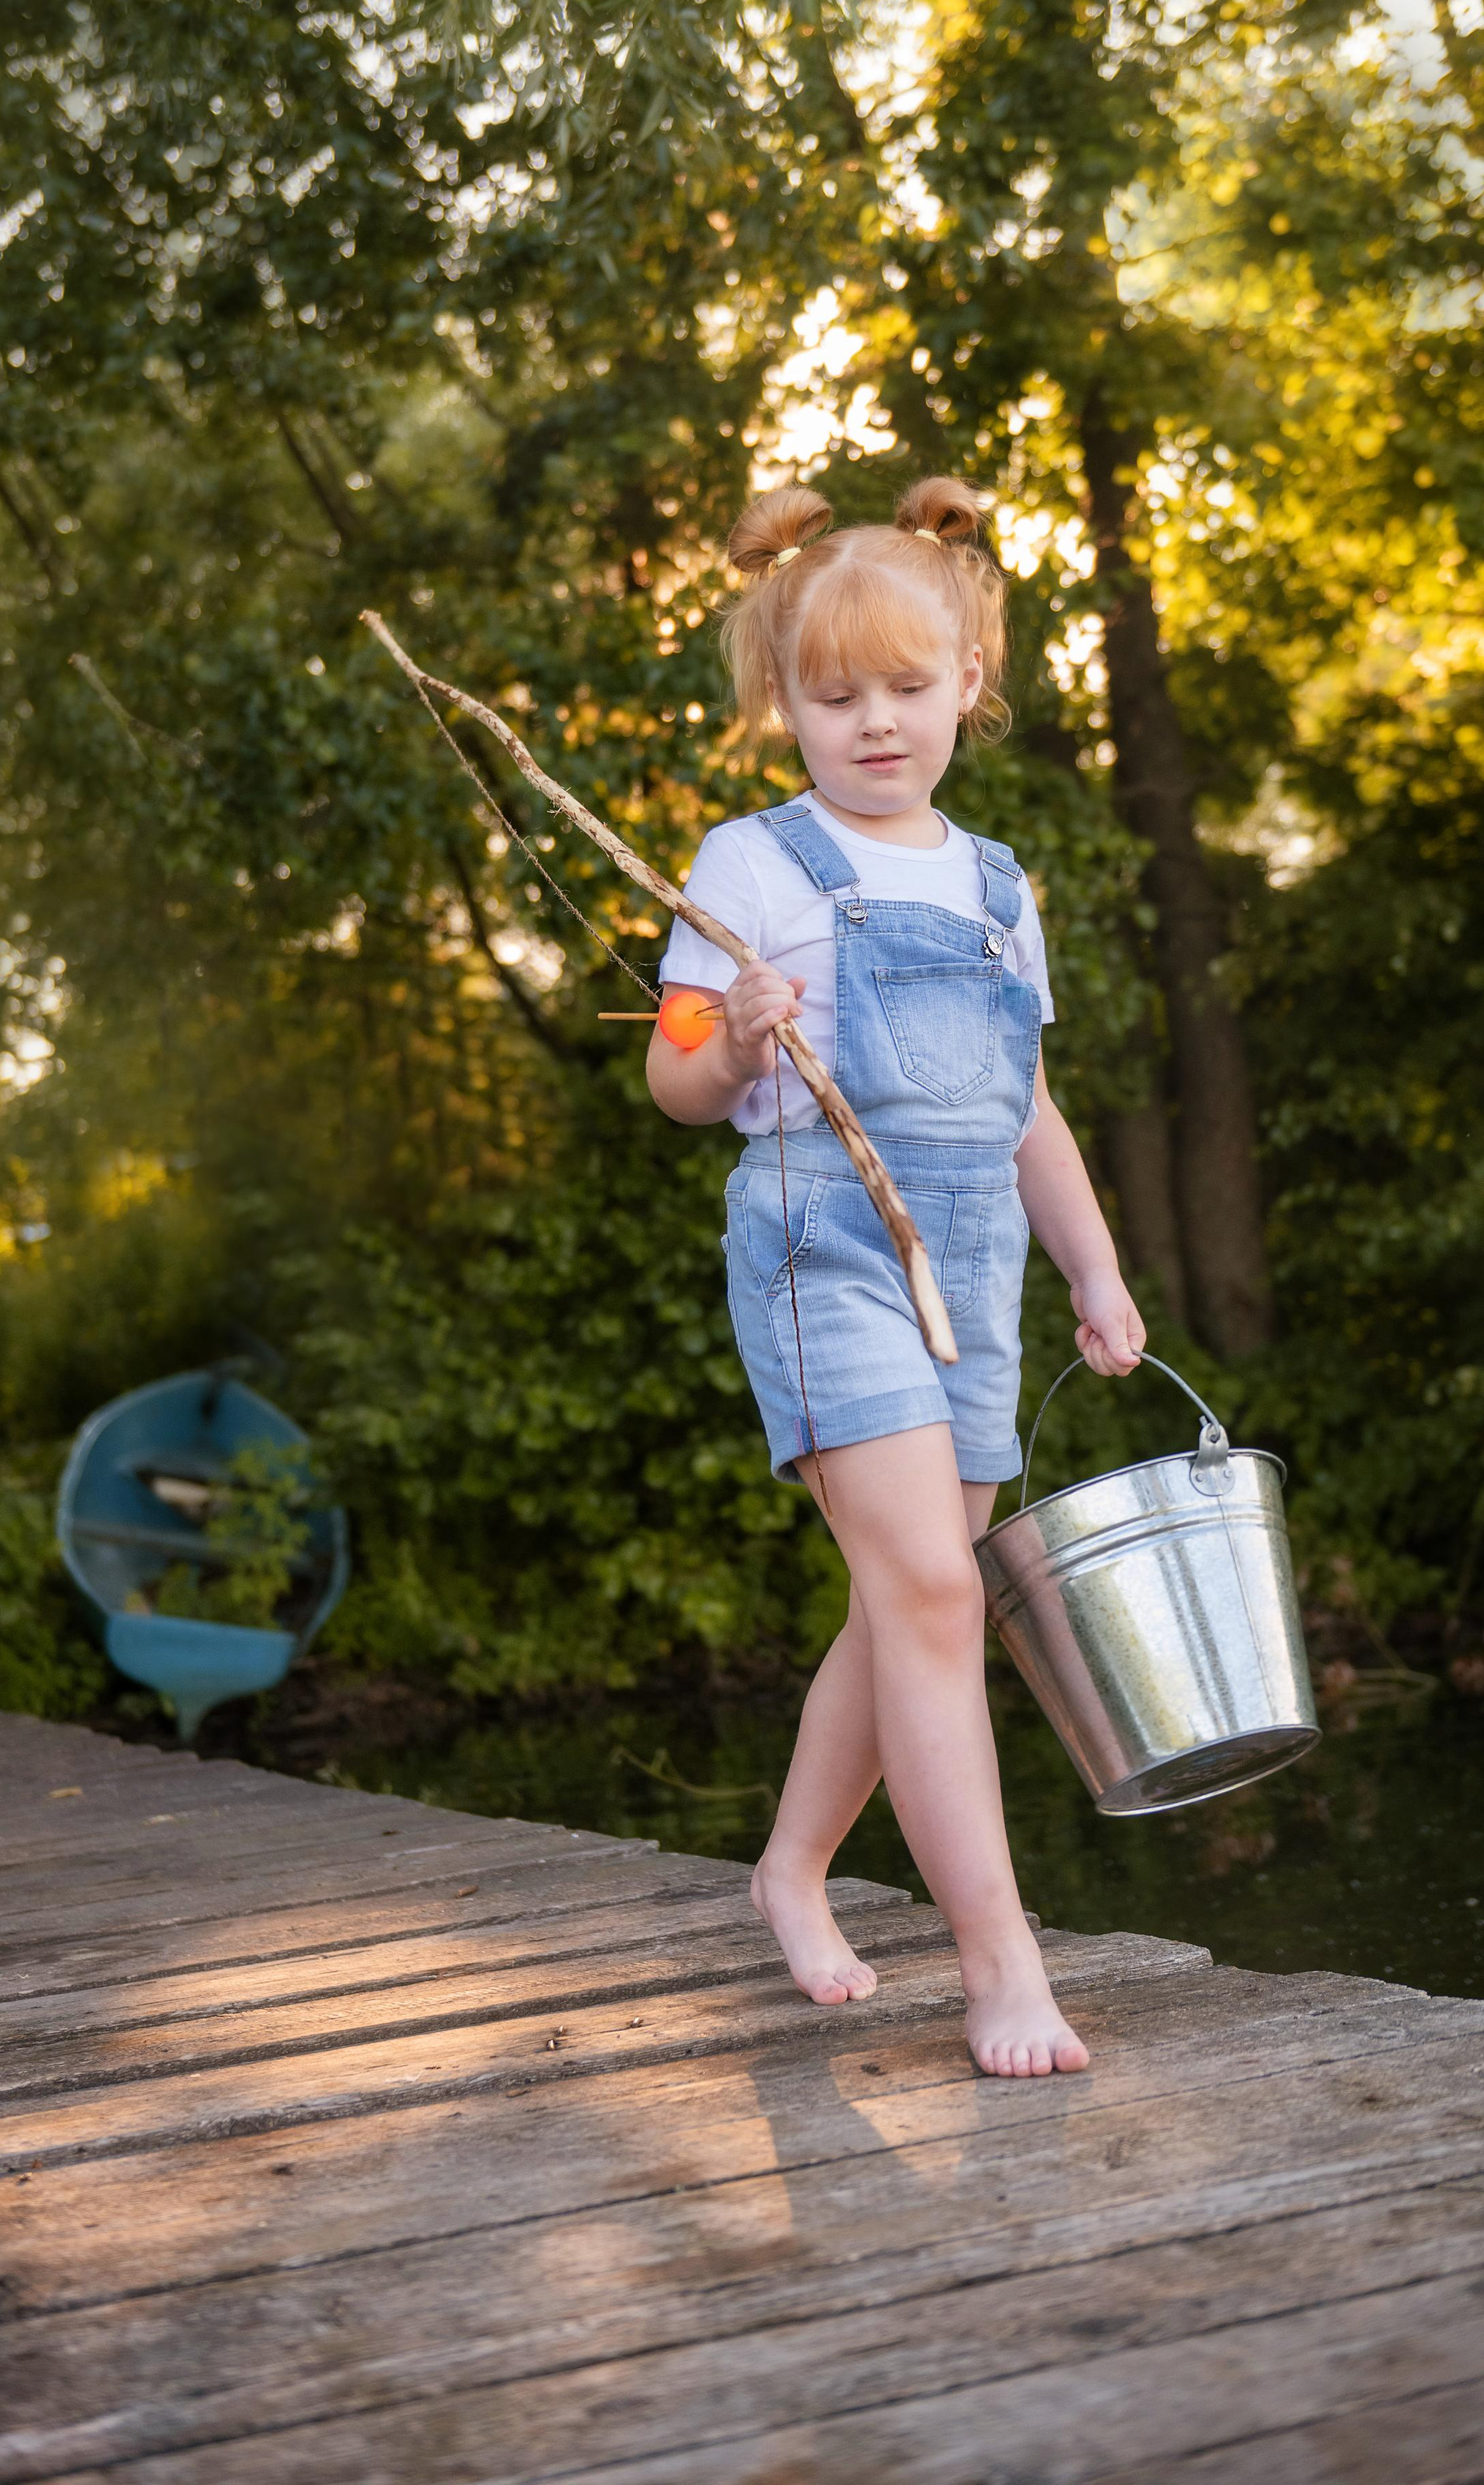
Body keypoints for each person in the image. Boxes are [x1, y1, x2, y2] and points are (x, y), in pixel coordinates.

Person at [647, 474, 1146, 2078]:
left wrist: (1095, 1265)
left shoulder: (1000, 887)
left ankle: (790, 1865)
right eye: (832, 693)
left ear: (968, 686)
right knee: (932, 1588)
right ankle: (999, 1966)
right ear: (777, 699)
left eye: (907, 690)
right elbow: (669, 1083)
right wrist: (727, 1041)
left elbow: (1025, 1110)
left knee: (910, 1602)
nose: (873, 725)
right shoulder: (748, 862)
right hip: (819, 1249)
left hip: (972, 1269)